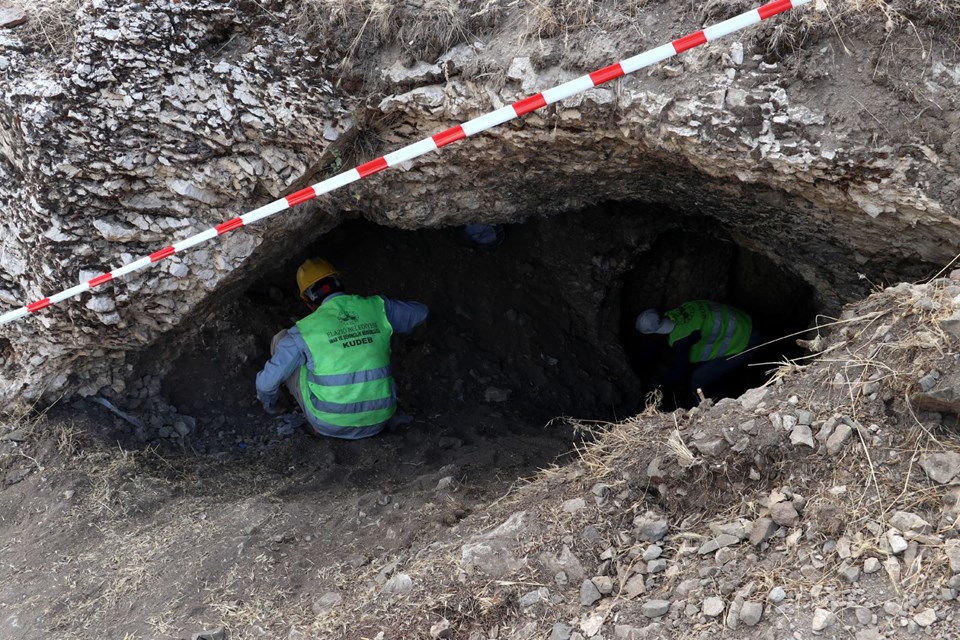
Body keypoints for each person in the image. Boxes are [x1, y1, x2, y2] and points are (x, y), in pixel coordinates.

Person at [256, 258, 428, 439]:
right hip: (381, 418)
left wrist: (270, 406)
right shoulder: (378, 307)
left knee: (283, 342)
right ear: (339, 283)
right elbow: (421, 312)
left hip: (330, 424)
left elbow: (265, 384)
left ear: (309, 302)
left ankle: (298, 412)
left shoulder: (303, 332)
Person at [635, 300, 762, 404]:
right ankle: (723, 393)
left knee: (699, 379)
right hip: (746, 320)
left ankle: (702, 411)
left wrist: (658, 380)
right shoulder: (677, 312)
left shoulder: (680, 339)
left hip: (746, 340)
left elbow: (679, 372)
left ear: (655, 334)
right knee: (712, 373)